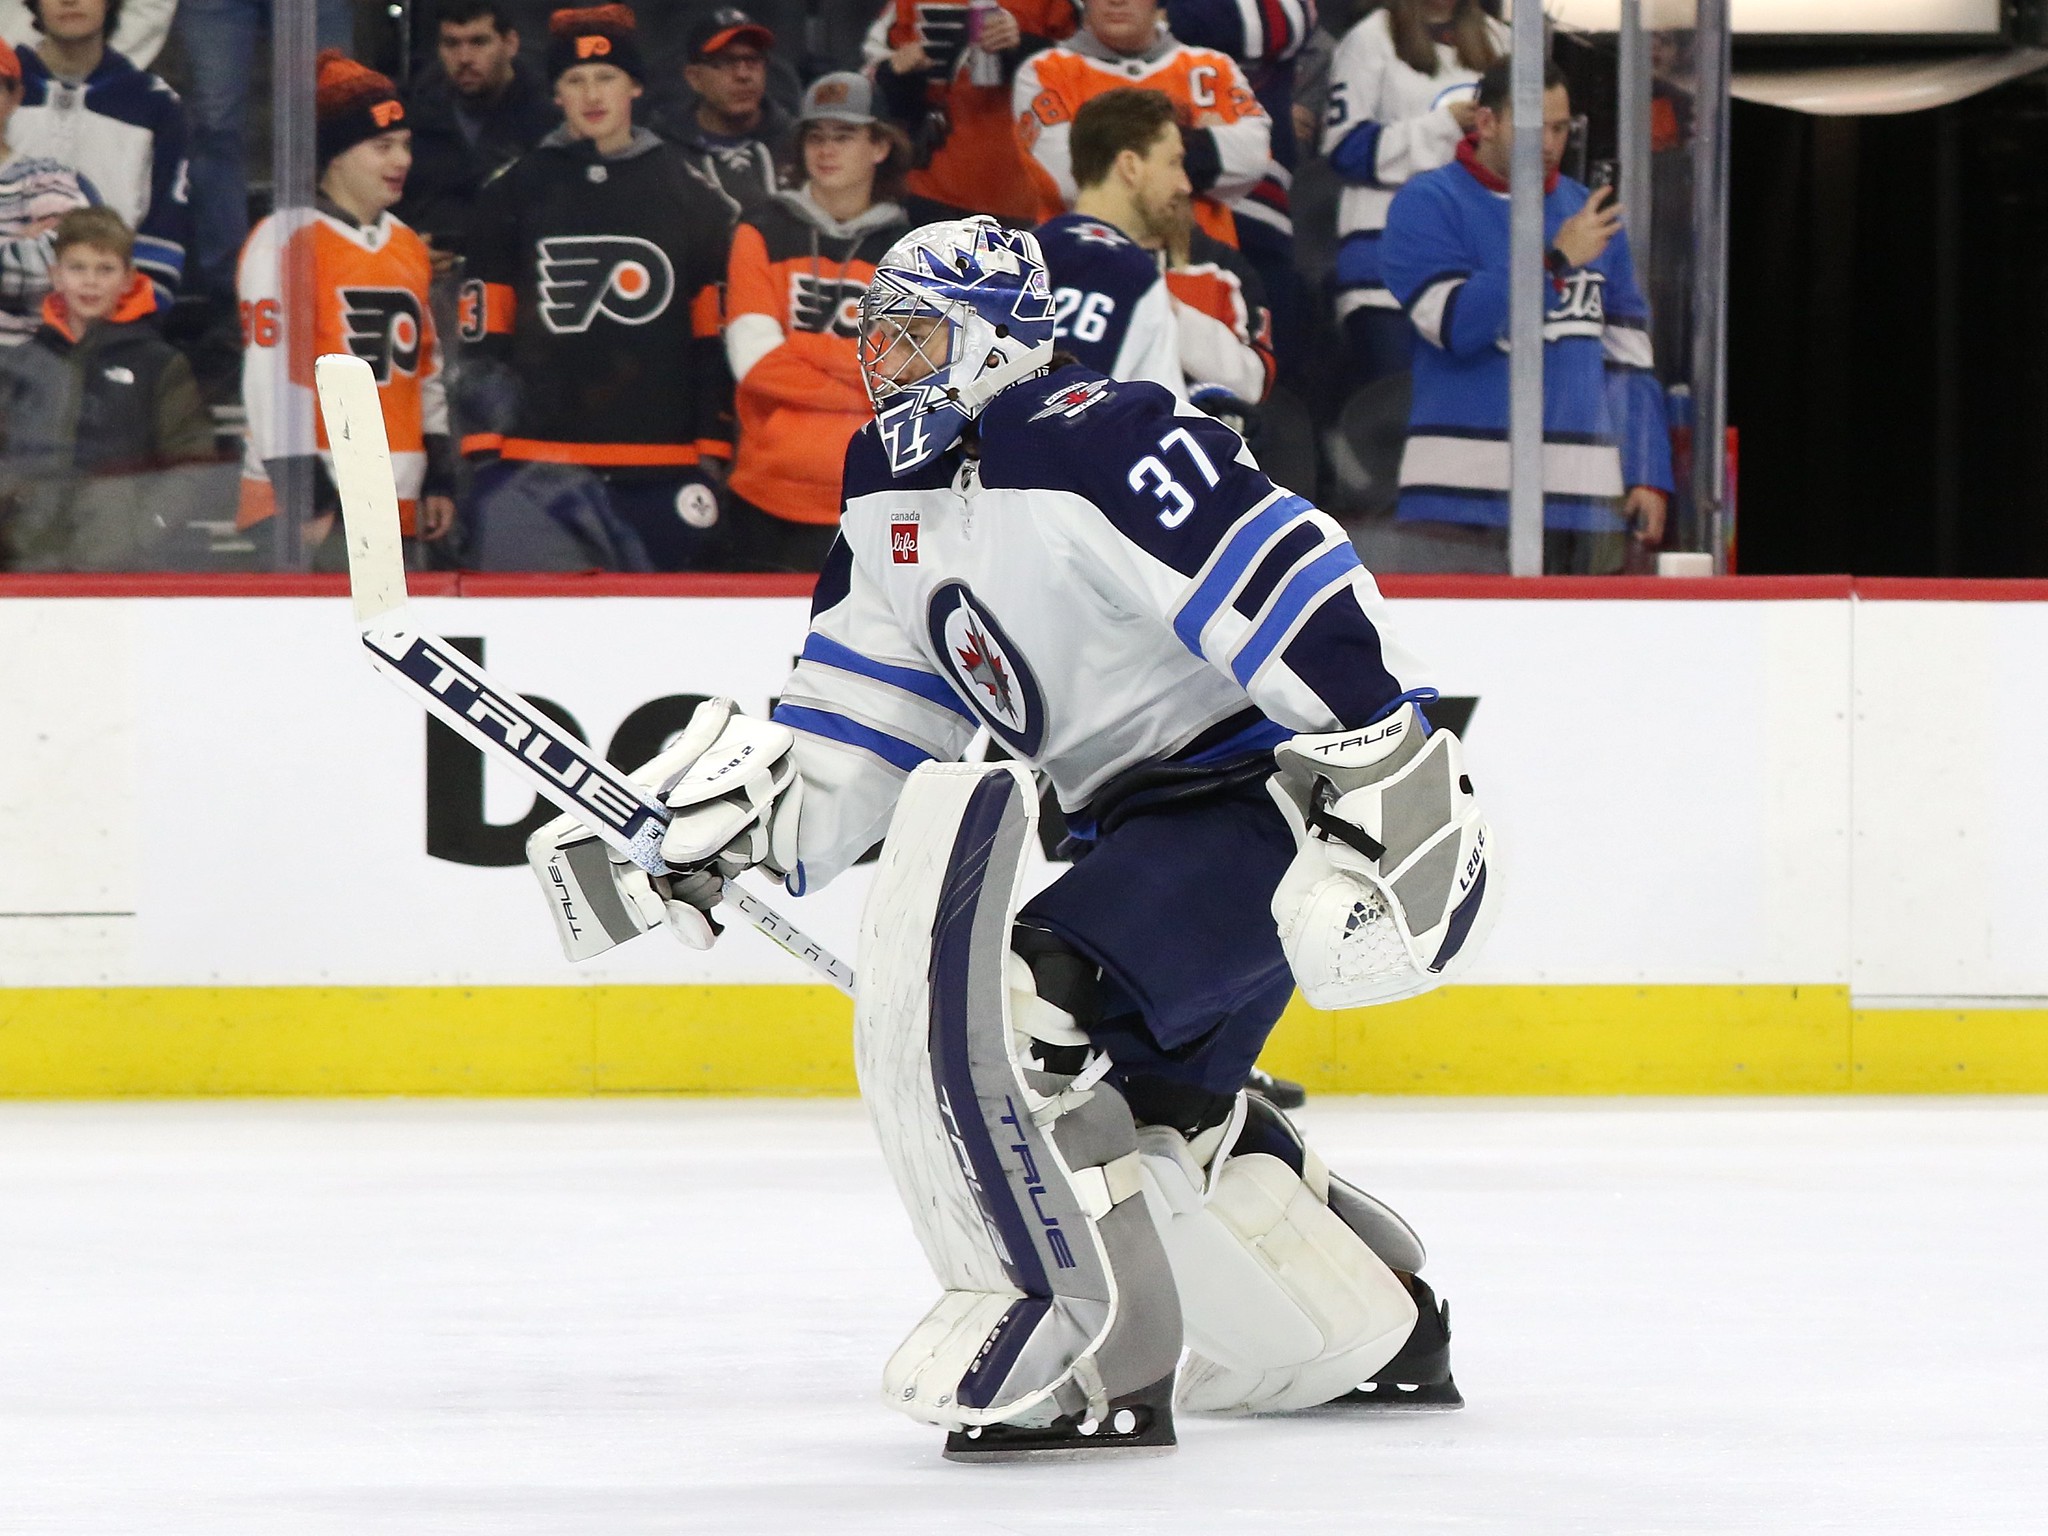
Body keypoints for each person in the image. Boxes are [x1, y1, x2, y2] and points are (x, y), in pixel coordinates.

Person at [525, 215, 1496, 1458]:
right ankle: (1388, 1324)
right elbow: (868, 712)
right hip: (1124, 830)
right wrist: (749, 831)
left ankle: (1100, 1356)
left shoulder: (1101, 436)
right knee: (1158, 1131)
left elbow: (1287, 573)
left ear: (995, 342)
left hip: (1257, 809)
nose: (885, 363)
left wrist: (1390, 773)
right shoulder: (886, 480)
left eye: (916, 334)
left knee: (1026, 1012)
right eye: (875, 337)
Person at [457, 5, 735, 571]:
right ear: (555, 92)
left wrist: (712, 450)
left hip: (664, 468)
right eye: (574, 79)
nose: (592, 94)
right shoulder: (510, 194)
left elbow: (713, 345)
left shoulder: (695, 197)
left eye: (606, 76)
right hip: (534, 469)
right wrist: (486, 453)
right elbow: (485, 338)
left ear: (634, 84)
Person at [1378, 58, 1671, 574]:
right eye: (1537, 128)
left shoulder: (1591, 215)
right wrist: (1553, 260)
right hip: (1457, 500)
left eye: (1561, 128)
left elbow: (1629, 360)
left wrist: (1647, 470)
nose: (1552, 143)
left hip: (1585, 501)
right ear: (1486, 122)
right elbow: (1457, 325)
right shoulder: (1425, 203)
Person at [237, 51, 455, 566]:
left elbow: (426, 369)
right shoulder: (283, 240)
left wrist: (438, 472)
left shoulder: (406, 244)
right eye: (382, 147)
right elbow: (270, 377)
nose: (401, 160)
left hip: (395, 505)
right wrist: (303, 492)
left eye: (404, 145)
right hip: (308, 510)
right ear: (334, 155)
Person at [722, 73, 909, 572]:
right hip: (765, 494)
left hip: (877, 494)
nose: (826, 150)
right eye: (816, 136)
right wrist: (859, 370)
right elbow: (755, 361)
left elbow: (909, 377)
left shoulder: (912, 249)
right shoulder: (760, 229)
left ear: (880, 146)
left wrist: (800, 347)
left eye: (844, 136)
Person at [0, 206, 215, 570]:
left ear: (128, 279)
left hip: (122, 571)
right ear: (56, 276)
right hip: (28, 563)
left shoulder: (159, 364)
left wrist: (142, 530)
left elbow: (190, 461)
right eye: (77, 267)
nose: (90, 282)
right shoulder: (19, 364)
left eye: (105, 269)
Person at [1037, 87, 1271, 412]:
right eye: (1174, 163)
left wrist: (1167, 306)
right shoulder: (1024, 267)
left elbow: (1254, 384)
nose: (1185, 184)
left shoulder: (1017, 262)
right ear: (1130, 167)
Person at [1321, 0, 1503, 386]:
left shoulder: (1500, 40)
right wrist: (1443, 126)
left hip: (1475, 265)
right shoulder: (1369, 39)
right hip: (1385, 270)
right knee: (1398, 412)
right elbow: (1346, 148)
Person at [1013, 0, 1270, 257]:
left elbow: (1254, 157)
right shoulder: (1043, 72)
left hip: (1201, 269)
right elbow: (1070, 180)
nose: (1117, 2)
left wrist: (1110, 148)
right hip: (1086, 268)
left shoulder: (1213, 67)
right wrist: (1195, 142)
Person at [10, 0, 187, 303]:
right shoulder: (6, 93)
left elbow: (165, 228)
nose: (69, 0)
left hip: (112, 327)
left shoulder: (155, 105)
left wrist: (122, 318)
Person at [870, 0, 1077, 224]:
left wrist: (1025, 46)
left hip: (1026, 191)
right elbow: (867, 78)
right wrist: (895, 73)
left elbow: (1089, 65)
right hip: (930, 184)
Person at [397, 0, 561, 269]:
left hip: (522, 278)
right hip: (428, 280)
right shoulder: (410, 120)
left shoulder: (550, 121)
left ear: (510, 44)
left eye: (478, 42)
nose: (464, 58)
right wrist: (407, 248)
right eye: (451, 44)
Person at [0, 35, 95, 345]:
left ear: (15, 98)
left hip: (23, 369)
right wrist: (16, 244)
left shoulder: (47, 177)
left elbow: (71, 266)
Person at [655, 6, 790, 213]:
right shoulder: (663, 154)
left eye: (753, 60)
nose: (743, 75)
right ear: (694, 78)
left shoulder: (797, 142)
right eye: (727, 62)